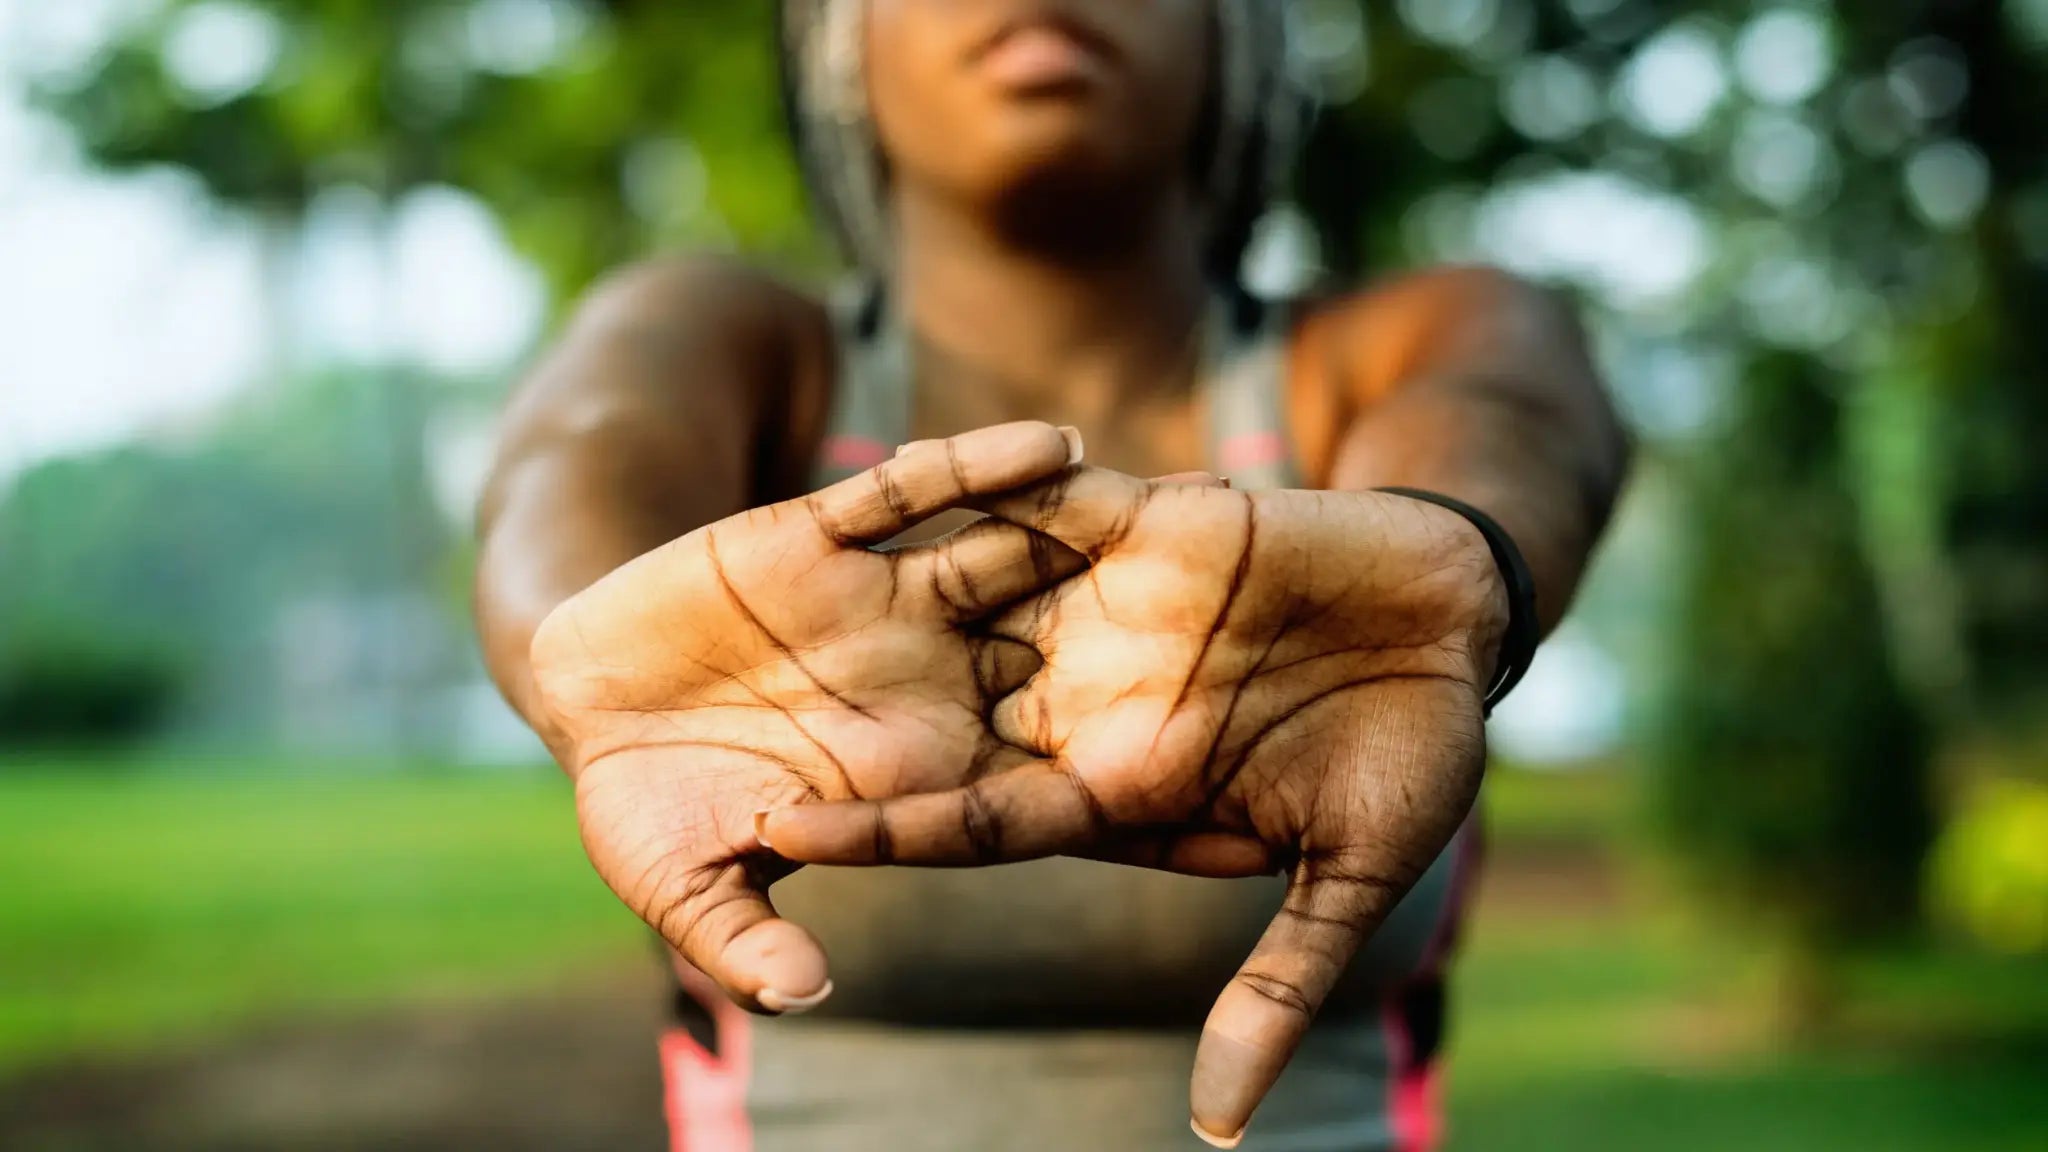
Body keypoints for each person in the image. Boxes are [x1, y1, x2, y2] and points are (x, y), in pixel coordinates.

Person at [475, 1, 1629, 1149]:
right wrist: (587, 638)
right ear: (840, 44)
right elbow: (581, 449)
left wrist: (1456, 552)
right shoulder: (749, 350)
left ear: (1237, 36)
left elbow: (1508, 413)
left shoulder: (1385, 345)